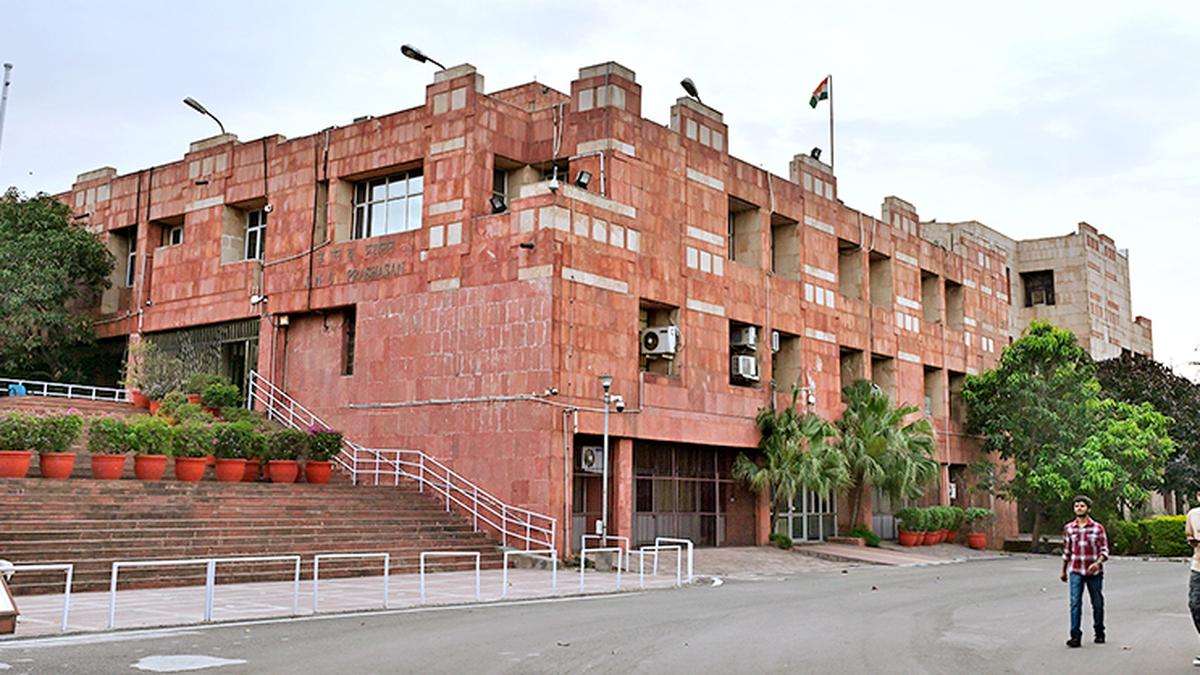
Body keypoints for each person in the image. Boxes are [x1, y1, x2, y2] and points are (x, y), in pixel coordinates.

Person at [1060, 495, 1108, 648]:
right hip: (1075, 570)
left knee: (1097, 603)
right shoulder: (1069, 528)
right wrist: (1063, 571)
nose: (1079, 508)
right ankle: (1075, 636)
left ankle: (1099, 631)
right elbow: (1067, 551)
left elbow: (1105, 550)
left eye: (1082, 506)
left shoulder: (1097, 528)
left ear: (1088, 509)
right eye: (1076, 506)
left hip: (1094, 572)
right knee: (1075, 603)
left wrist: (1097, 563)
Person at [1185, 495, 1200, 667]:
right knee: (1195, 605)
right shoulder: (1193, 515)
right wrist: (1193, 542)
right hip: (1198, 566)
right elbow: (1189, 535)